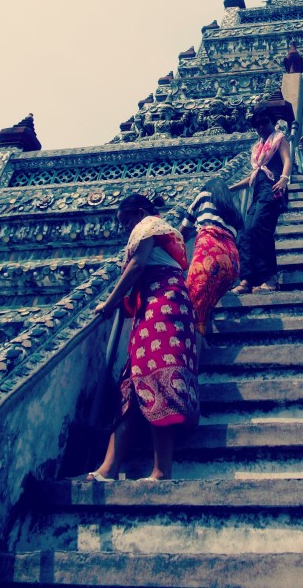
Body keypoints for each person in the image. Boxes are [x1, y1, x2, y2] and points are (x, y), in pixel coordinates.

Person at [89, 193, 199, 482]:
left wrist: (111, 303)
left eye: (126, 222)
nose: (125, 229)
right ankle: (107, 468)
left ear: (139, 213)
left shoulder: (149, 225)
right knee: (131, 385)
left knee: (157, 378)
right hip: (155, 306)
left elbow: (136, 266)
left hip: (165, 306)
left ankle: (162, 470)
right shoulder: (151, 228)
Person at [229, 104, 292, 294]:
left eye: (264, 122)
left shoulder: (279, 139)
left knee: (259, 229)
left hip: (272, 188)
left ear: (272, 122)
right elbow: (253, 176)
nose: (261, 127)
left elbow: (287, 160)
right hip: (258, 191)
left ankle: (271, 279)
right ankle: (247, 280)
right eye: (257, 125)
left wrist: (284, 179)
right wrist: (231, 188)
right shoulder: (258, 148)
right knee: (246, 232)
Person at [179, 177, 243, 356]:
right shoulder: (232, 210)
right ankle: (204, 347)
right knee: (203, 308)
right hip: (232, 263)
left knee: (192, 309)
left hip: (209, 254)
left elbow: (181, 232)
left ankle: (194, 365)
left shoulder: (204, 195)